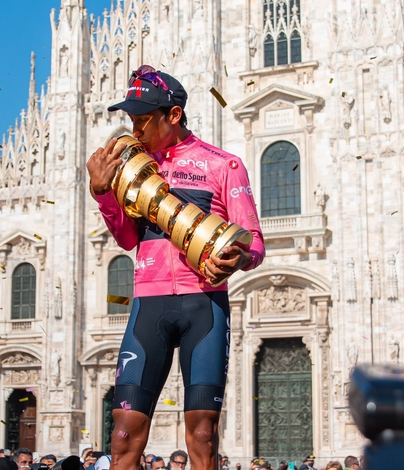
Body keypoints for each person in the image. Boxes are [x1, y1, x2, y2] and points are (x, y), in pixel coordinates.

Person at [89, 64, 265, 470]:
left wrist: (238, 257)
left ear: (173, 115)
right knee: (122, 436)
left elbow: (254, 242)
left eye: (142, 119)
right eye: (130, 119)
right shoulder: (133, 167)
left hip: (203, 305)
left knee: (203, 436)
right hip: (148, 304)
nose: (134, 129)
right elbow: (128, 239)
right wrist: (103, 194)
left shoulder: (224, 165)